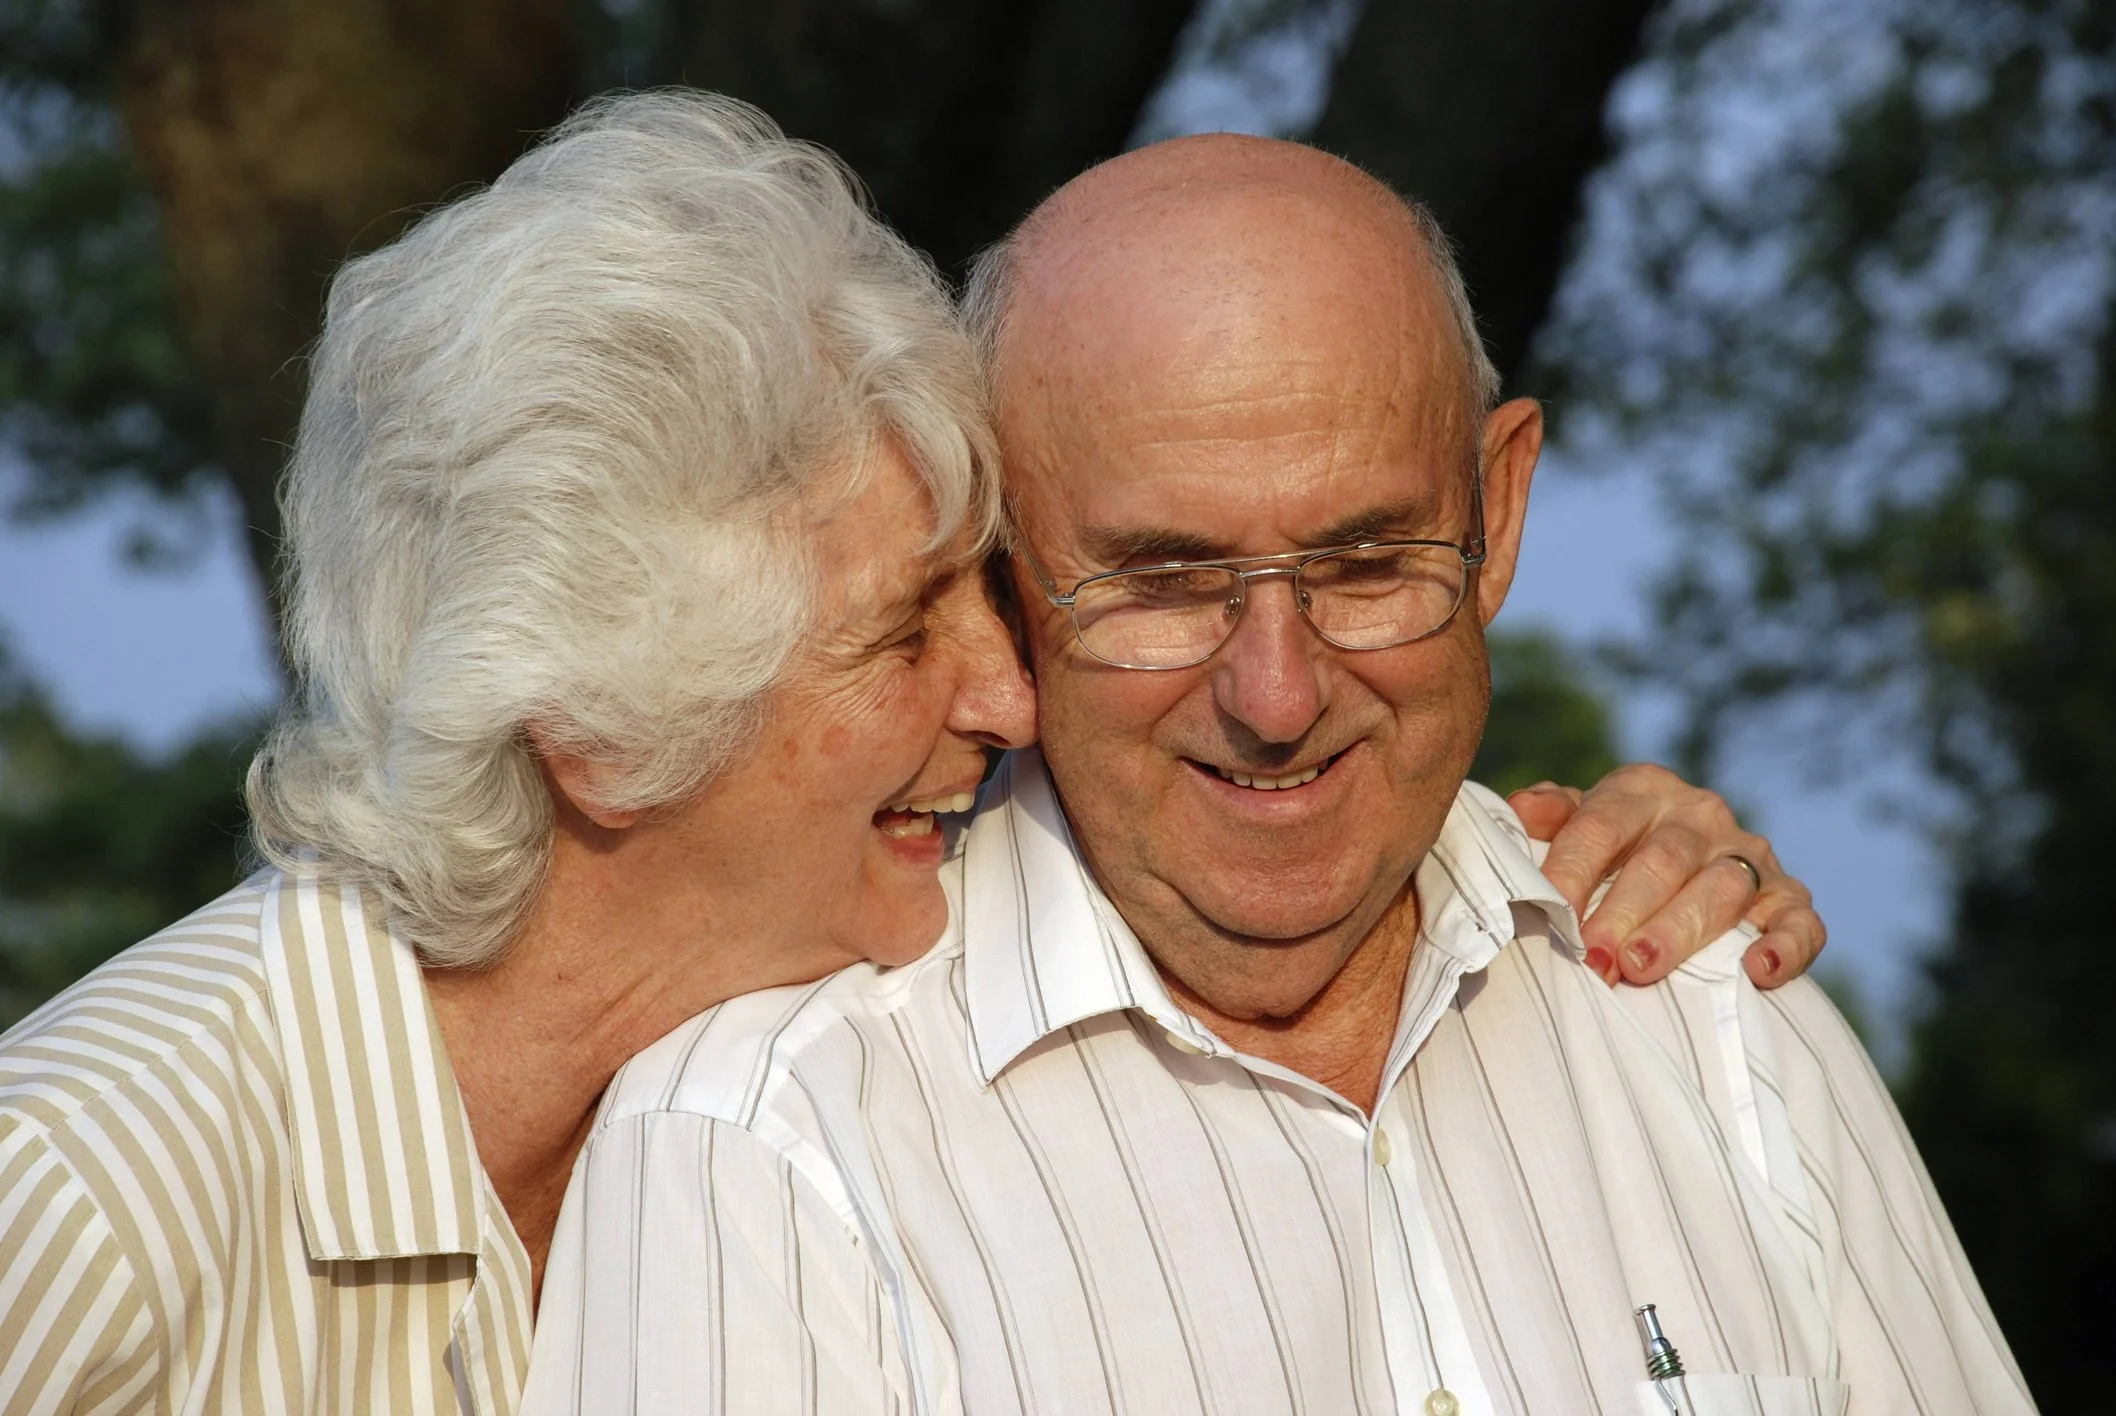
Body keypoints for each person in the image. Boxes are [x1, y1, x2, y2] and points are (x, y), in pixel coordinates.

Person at [0, 96, 1815, 1416]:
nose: (1011, 696)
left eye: (989, 593)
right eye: (904, 632)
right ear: (600, 737)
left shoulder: (750, 1081)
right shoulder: (75, 1197)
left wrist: (1559, 853)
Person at [526, 135, 2033, 1414]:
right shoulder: (758, 1150)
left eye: (1367, 563)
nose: (1277, 694)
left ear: (1499, 513)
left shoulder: (1721, 1021)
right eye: (1162, 583)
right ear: (1001, 571)